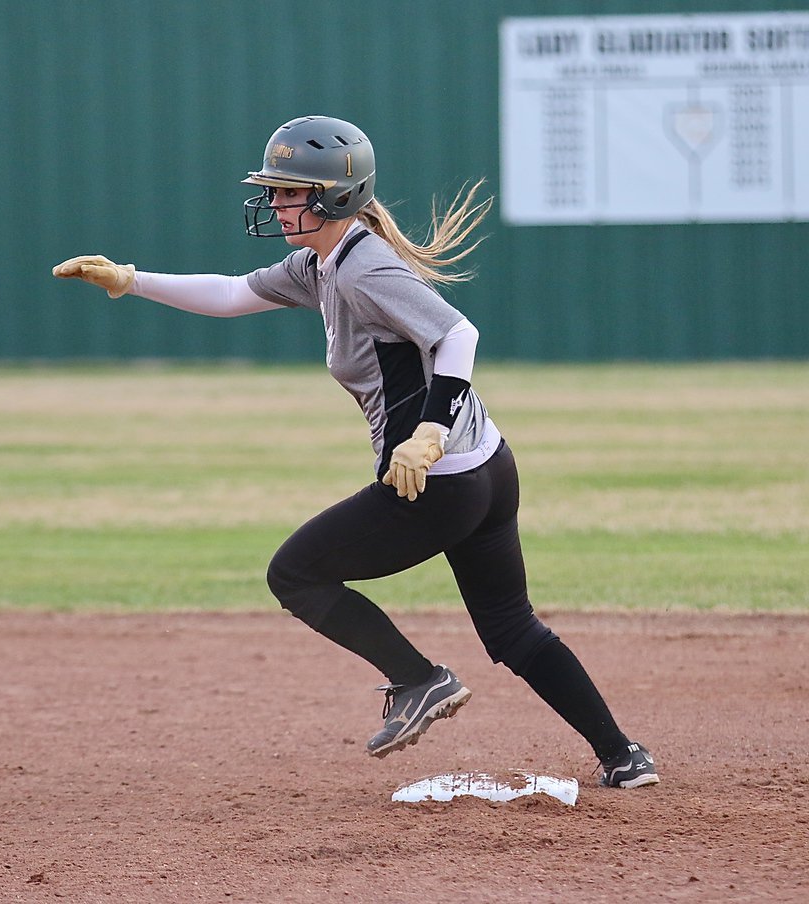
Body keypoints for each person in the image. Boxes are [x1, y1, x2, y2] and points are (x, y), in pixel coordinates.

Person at [53, 115, 658, 789]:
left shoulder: (364, 265)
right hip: (487, 465)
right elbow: (231, 294)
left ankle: (419, 679)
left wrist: (427, 433)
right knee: (512, 629)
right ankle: (623, 756)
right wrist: (130, 279)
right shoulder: (324, 261)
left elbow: (457, 335)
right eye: (276, 190)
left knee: (295, 574)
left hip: (437, 480)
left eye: (290, 191)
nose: (276, 203)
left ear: (335, 197)